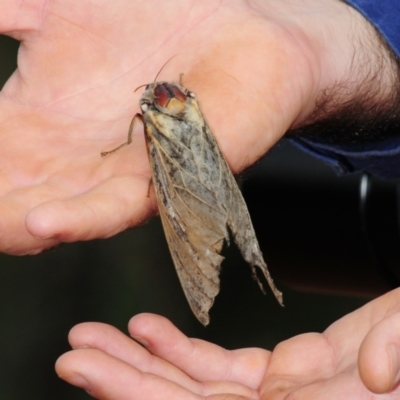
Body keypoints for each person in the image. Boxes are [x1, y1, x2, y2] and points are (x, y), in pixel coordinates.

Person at [0, 0, 399, 398]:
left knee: (185, 205)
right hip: (195, 144)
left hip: (186, 156)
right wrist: (325, 40)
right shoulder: (177, 104)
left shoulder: (150, 113)